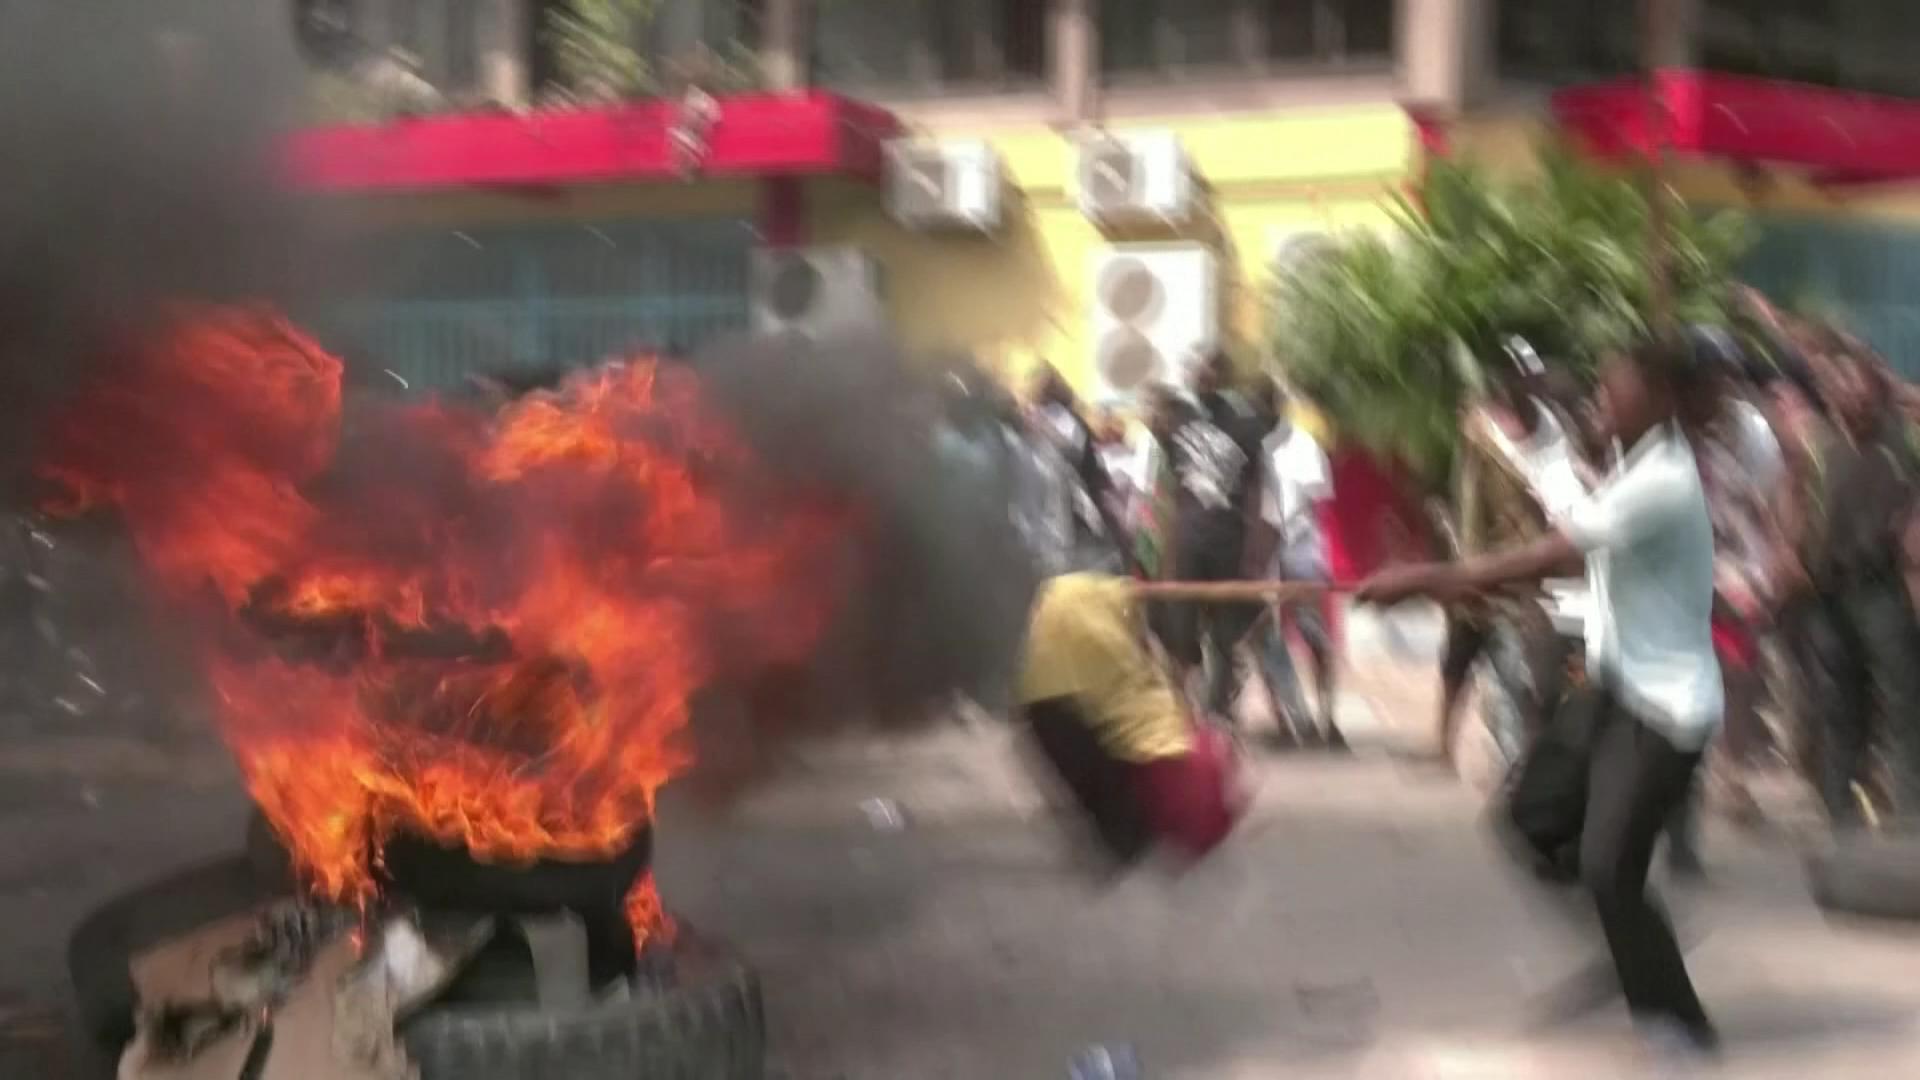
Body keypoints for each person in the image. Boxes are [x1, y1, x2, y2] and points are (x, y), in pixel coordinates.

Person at [1360, 340, 1723, 1053]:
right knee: (1530, 820)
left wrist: (1430, 580)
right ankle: (1628, 937)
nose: (1598, 399)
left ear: (1659, 400)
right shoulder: (1631, 466)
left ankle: (1679, 1021)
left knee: (1608, 866)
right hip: (1616, 689)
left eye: (1614, 389)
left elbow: (1551, 554)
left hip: (1665, 709)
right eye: (1600, 386)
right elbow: (1566, 559)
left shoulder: (1664, 479)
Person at [1432, 336, 1591, 770]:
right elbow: (1469, 500)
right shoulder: (1483, 432)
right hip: (1497, 561)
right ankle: (1470, 747)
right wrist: (1470, 565)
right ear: (1506, 380)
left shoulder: (1553, 425)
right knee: (1475, 655)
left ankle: (1534, 753)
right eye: (1523, 377)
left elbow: (1568, 481)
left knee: (1538, 665)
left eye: (1535, 376)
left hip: (1545, 563)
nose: (1531, 385)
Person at [1016, 571, 1245, 866]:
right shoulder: (1123, 651)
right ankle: (1127, 834)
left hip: (1057, 710)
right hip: (1143, 752)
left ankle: (1122, 835)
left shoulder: (1065, 617)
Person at [1159, 351, 1270, 725]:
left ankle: (1221, 710)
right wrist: (1169, 544)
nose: (1199, 374)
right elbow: (1173, 488)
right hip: (1188, 540)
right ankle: (1181, 711)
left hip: (1229, 541)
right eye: (1194, 367)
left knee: (1225, 634)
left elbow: (1256, 488)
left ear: (1223, 375)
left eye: (1207, 368)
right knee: (1180, 630)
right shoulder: (1179, 423)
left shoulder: (1246, 424)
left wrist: (1255, 548)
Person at [1249, 378, 1340, 747]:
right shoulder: (1249, 445)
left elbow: (1315, 503)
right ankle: (1289, 720)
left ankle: (1326, 718)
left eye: (1266, 404)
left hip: (1299, 549)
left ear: (1277, 405)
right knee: (1265, 635)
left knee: (1314, 633)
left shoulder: (1303, 445)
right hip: (1262, 552)